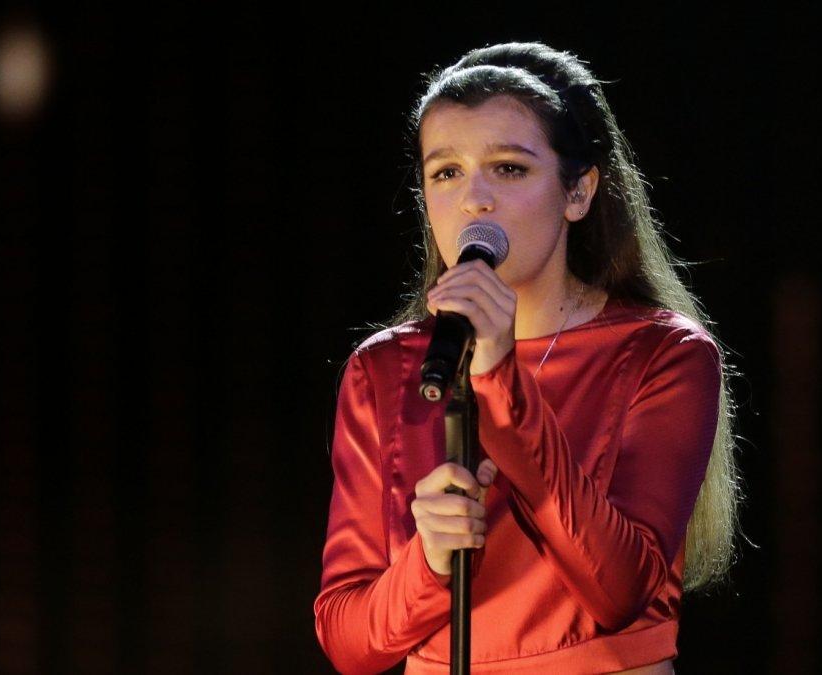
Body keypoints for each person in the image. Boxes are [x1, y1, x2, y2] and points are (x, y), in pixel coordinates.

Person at [314, 41, 744, 674]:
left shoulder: (663, 353)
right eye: (446, 171)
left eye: (509, 169)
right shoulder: (385, 369)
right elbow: (347, 641)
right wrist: (427, 563)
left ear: (578, 192)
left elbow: (619, 591)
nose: (474, 200)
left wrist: (498, 380)